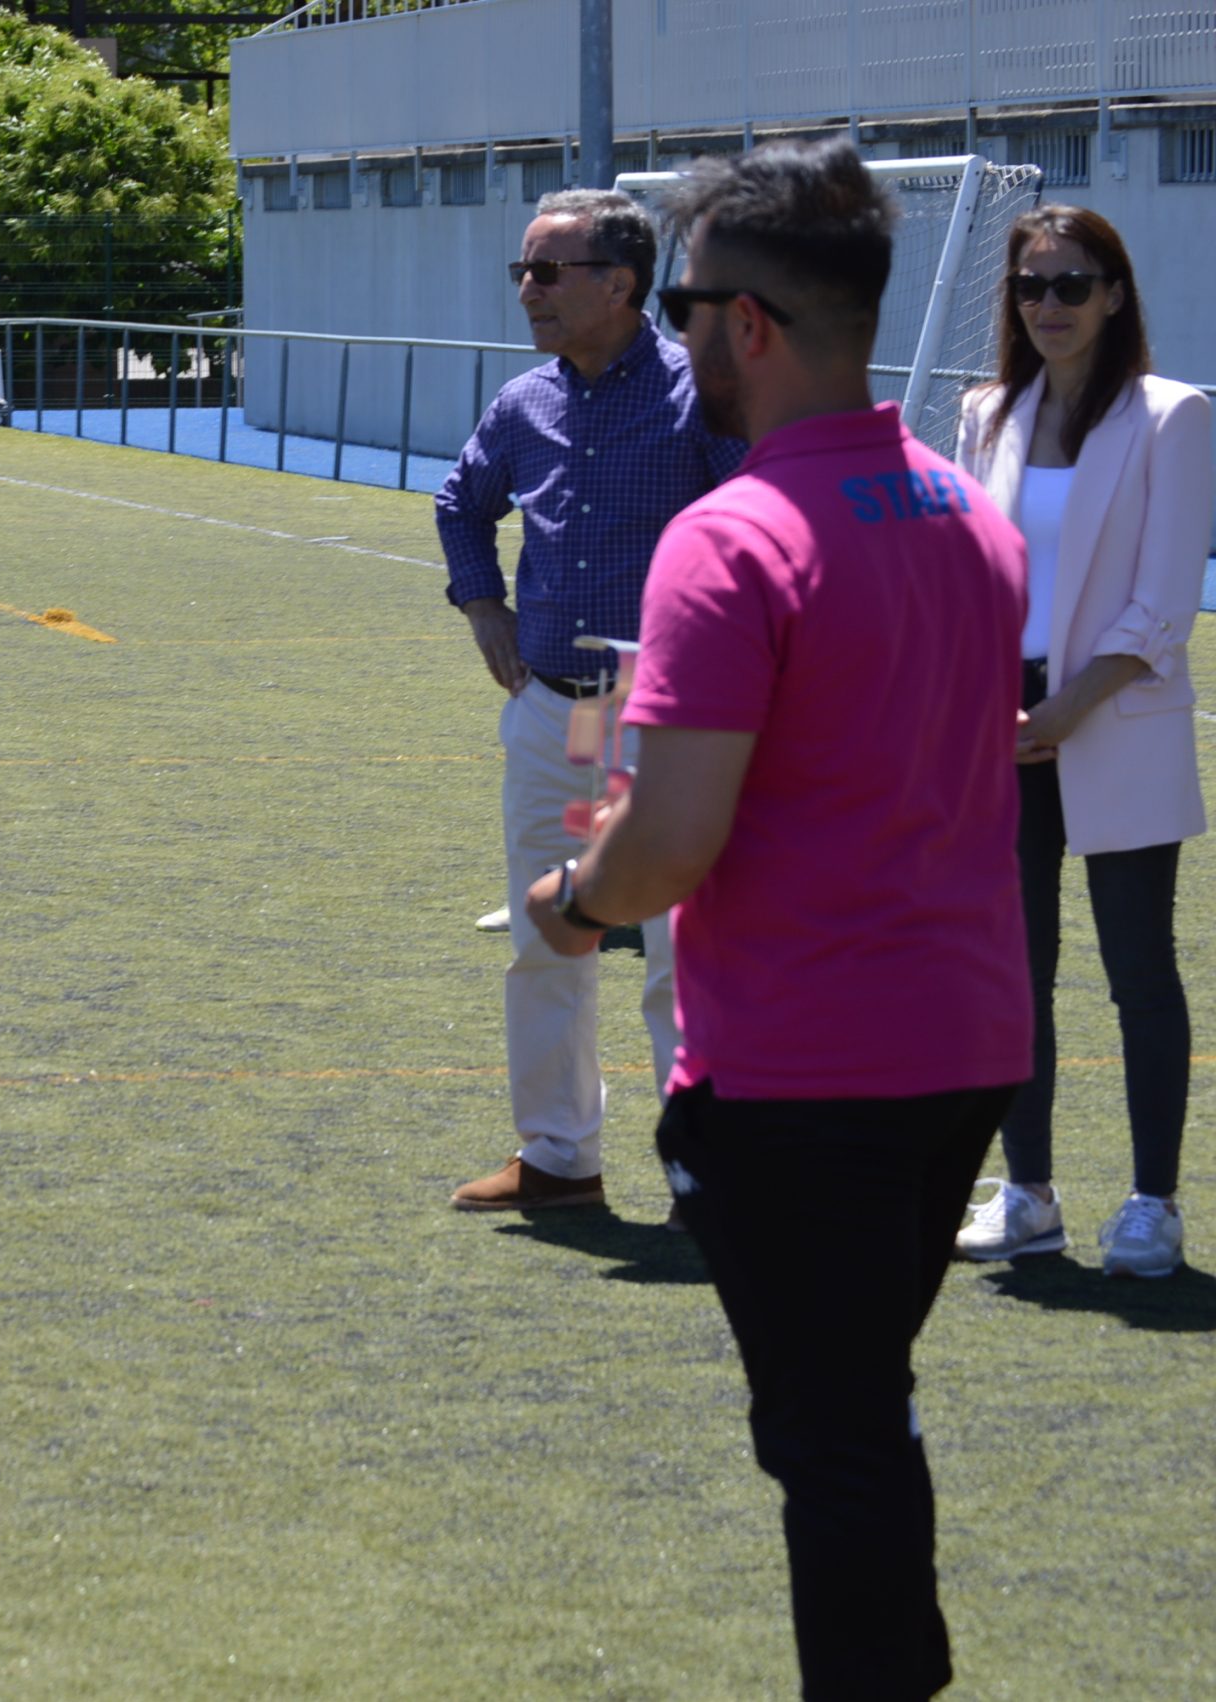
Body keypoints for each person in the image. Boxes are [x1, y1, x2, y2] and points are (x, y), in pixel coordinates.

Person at [528, 140, 1029, 1698]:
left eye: (680, 311)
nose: (674, 345)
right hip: (967, 1042)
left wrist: (571, 898)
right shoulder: (968, 509)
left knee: (831, 1435)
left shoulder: (732, 534)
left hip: (813, 1064)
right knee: (853, 1406)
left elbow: (668, 842)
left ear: (747, 324)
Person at [435, 188, 744, 1212]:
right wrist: (481, 604)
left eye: (546, 270)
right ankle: (559, 1157)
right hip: (552, 713)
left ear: (620, 282)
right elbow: (460, 501)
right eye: (521, 270)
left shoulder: (700, 393)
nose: (527, 289)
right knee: (546, 938)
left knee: (680, 949)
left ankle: (705, 1166)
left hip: (671, 716)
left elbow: (761, 521)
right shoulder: (522, 402)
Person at [952, 205, 1213, 1278]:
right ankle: (1028, 1193)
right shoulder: (985, 412)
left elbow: (1160, 608)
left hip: (1111, 717)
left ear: (1114, 293)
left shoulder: (1172, 415)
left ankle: (1150, 1203)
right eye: (1030, 285)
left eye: (1072, 283)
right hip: (997, 726)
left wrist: (1061, 713)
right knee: (1014, 972)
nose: (1049, 305)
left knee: (1138, 971)